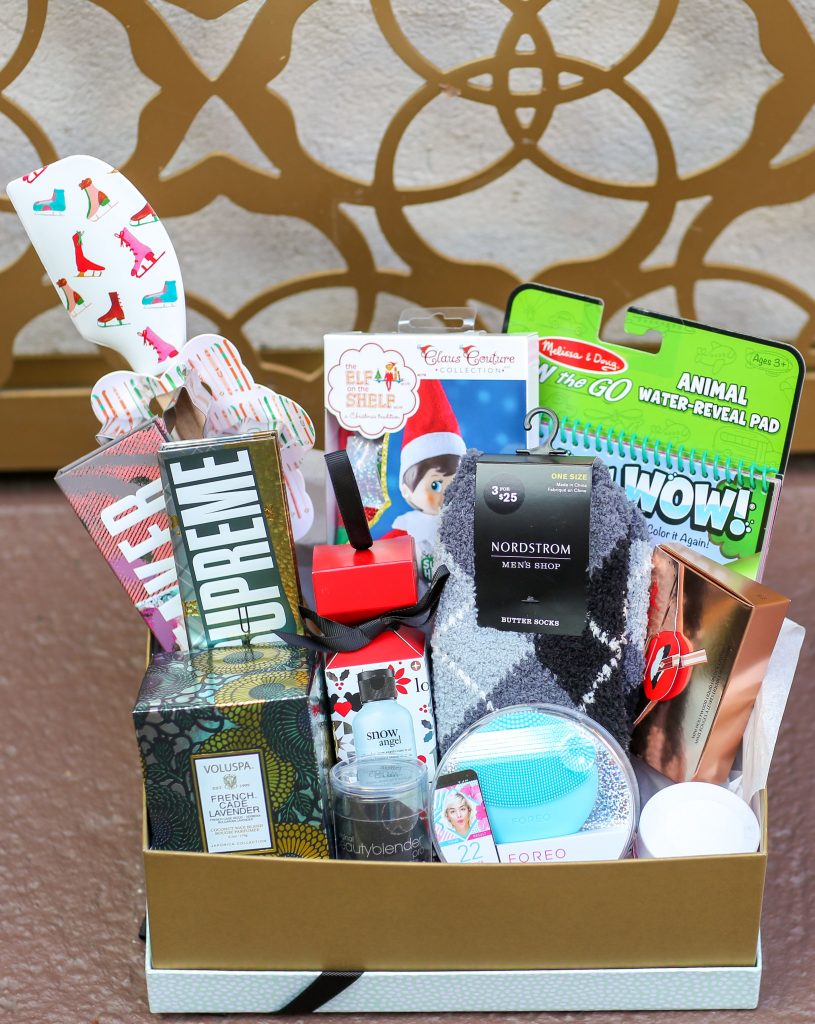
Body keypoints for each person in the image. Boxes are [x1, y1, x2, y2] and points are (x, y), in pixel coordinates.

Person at [390, 379, 466, 580]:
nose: (448, 494)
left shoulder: (467, 523)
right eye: (435, 484)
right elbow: (384, 555)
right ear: (406, 489)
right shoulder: (408, 528)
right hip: (417, 594)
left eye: (456, 483)